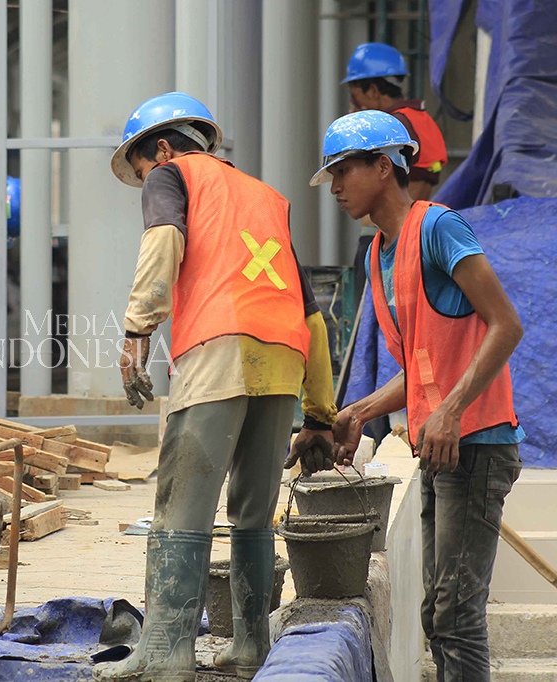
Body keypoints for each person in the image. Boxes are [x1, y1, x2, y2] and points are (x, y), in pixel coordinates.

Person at [93, 92, 338, 682]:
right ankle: (252, 645)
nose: (144, 181)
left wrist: (136, 330)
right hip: (282, 361)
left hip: (217, 351)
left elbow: (163, 243)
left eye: (141, 168)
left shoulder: (171, 174)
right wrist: (320, 413)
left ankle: (167, 654)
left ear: (161, 147)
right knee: (253, 514)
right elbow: (310, 313)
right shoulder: (265, 198)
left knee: (182, 505)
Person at [312, 110, 524, 682]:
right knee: (438, 613)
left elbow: (505, 324)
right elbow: (422, 364)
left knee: (455, 615)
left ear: (384, 167)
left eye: (342, 171)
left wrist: (451, 411)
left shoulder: (439, 228)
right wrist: (358, 411)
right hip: (440, 447)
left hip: (475, 444)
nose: (333, 187)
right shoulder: (379, 253)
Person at [342, 42, 448, 202]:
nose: (354, 103)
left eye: (355, 95)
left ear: (372, 91)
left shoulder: (392, 127)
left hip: (393, 223)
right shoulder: (419, 117)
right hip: (415, 219)